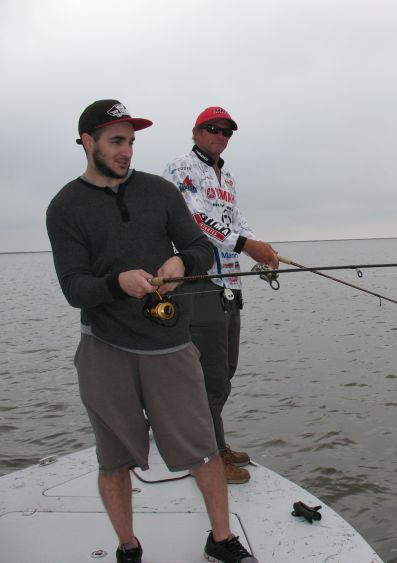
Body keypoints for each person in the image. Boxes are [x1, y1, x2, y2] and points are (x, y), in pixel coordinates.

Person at [46, 100, 256, 563]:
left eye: (131, 142)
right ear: (88, 141)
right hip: (105, 348)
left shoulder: (159, 192)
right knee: (114, 459)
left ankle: (221, 539)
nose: (126, 151)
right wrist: (116, 284)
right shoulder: (64, 207)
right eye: (116, 141)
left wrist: (181, 261)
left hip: (170, 343)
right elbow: (74, 287)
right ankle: (128, 545)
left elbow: (201, 247)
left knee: (203, 450)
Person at [162, 106, 279, 484]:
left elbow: (236, 219)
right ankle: (208, 456)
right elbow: (196, 220)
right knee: (207, 377)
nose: (220, 136)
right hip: (199, 283)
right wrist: (247, 246)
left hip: (230, 282)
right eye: (212, 129)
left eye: (227, 131)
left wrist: (261, 247)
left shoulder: (226, 176)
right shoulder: (181, 168)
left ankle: (216, 443)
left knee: (224, 374)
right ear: (196, 132)